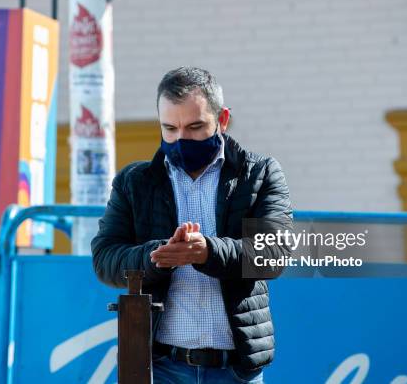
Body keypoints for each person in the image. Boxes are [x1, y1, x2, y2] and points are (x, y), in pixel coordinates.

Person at [91, 66, 293, 383]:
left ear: (223, 119)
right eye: (169, 128)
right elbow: (105, 259)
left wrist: (207, 252)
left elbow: (274, 254)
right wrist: (155, 256)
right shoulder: (135, 182)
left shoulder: (259, 174)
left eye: (196, 127)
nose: (181, 139)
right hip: (161, 366)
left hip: (235, 370)